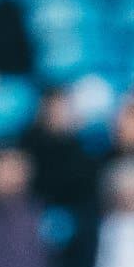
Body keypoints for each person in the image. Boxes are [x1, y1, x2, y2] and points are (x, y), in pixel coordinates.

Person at [17, 85, 100, 213]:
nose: (57, 114)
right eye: (52, 109)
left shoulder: (85, 150)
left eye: (62, 109)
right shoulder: (26, 149)